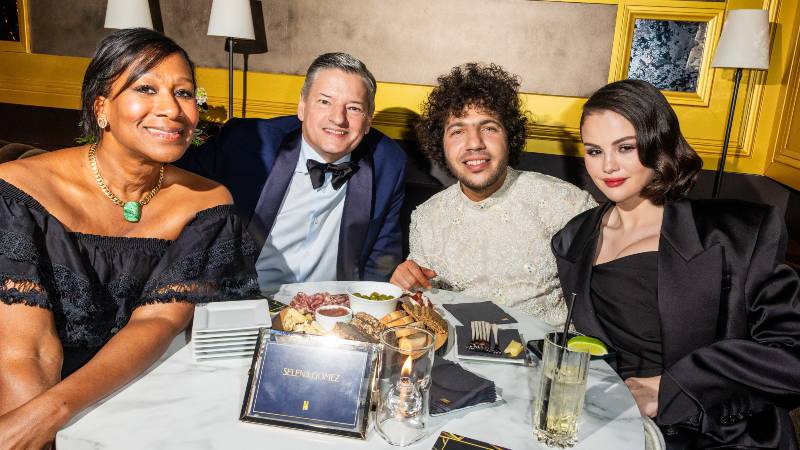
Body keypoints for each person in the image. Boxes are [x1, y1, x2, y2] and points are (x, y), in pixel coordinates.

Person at [0, 29, 257, 447]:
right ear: (101, 107)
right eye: (146, 88)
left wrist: (56, 411)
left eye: (185, 93)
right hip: (25, 392)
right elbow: (25, 351)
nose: (171, 109)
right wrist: (35, 427)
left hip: (143, 389)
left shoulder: (206, 202)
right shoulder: (17, 192)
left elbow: (157, 323)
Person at [551, 79, 800, 448]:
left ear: (658, 143)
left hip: (715, 434)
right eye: (593, 150)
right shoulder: (574, 238)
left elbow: (792, 356)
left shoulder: (737, 235)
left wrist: (670, 387)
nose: (607, 166)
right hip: (611, 426)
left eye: (626, 147)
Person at [176, 53, 406, 292]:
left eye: (354, 108)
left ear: (368, 121)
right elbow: (171, 179)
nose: (338, 118)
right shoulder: (247, 143)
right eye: (324, 101)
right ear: (302, 106)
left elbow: (381, 261)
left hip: (329, 312)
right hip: (243, 302)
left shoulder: (388, 162)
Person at [390, 63, 596, 325]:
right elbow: (419, 304)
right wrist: (406, 281)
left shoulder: (566, 204)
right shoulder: (426, 217)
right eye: (457, 131)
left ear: (509, 136)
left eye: (488, 128)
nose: (474, 143)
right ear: (441, 144)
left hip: (542, 360)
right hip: (453, 361)